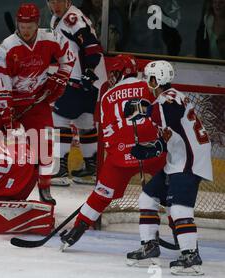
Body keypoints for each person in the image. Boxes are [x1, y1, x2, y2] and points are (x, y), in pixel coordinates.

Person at [58, 55, 166, 251]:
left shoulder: (107, 94)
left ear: (120, 73)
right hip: (153, 151)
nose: (112, 77)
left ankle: (75, 232)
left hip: (120, 156)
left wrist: (118, 152)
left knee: (100, 195)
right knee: (174, 192)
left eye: (114, 73)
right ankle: (185, 241)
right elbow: (162, 118)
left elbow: (106, 131)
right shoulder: (149, 87)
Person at [123, 60, 213, 276]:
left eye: (148, 78)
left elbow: (168, 112)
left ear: (157, 79)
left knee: (180, 208)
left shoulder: (169, 98)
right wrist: (150, 149)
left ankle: (191, 256)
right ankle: (150, 246)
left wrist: (143, 108)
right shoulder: (165, 100)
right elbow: (169, 137)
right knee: (147, 197)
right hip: (178, 160)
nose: (147, 82)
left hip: (189, 161)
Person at [0, 3, 75, 205]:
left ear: (37, 23)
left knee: (45, 143)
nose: (25, 30)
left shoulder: (51, 38)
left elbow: (68, 58)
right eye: (22, 26)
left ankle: (44, 187)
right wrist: (7, 116)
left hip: (35, 99)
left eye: (29, 26)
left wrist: (60, 77)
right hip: (5, 99)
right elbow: (2, 84)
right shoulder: (7, 46)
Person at [46, 0, 103, 187]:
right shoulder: (58, 18)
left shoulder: (72, 18)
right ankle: (90, 169)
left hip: (80, 78)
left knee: (58, 119)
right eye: (51, 0)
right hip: (88, 79)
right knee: (84, 121)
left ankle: (60, 169)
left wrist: (88, 73)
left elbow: (93, 48)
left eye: (59, 0)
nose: (55, 4)